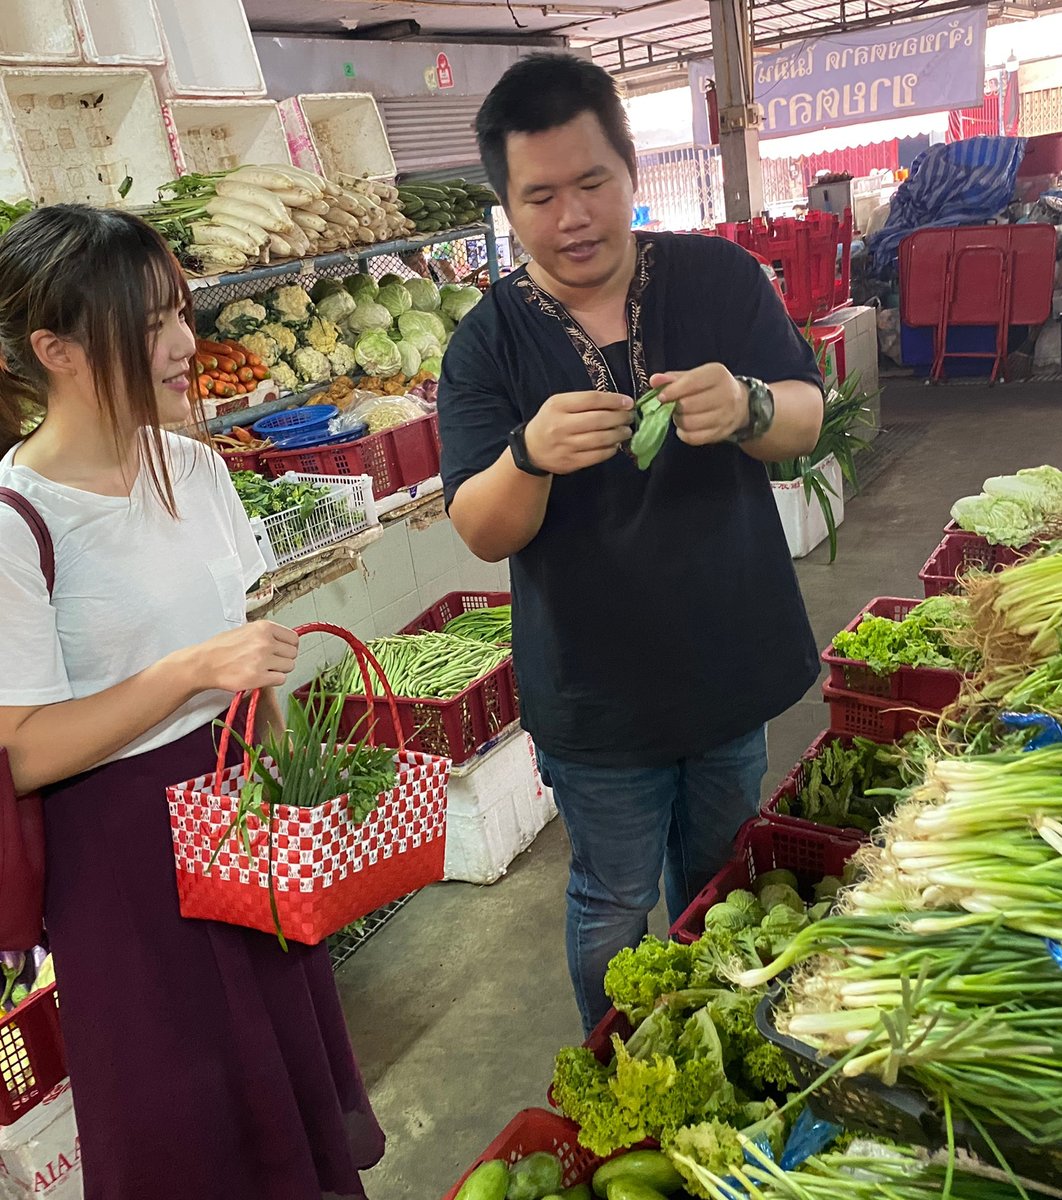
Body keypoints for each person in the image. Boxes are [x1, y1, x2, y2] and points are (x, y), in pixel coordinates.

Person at [0, 205, 384, 1199]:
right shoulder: (19, 520)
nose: (185, 344)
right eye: (153, 324)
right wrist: (188, 671)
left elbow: (245, 650)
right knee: (184, 1118)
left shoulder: (199, 468)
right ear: (58, 351)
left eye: (181, 311)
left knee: (282, 1087)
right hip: (120, 856)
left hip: (240, 813)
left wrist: (292, 781)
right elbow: (27, 751)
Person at [438, 54, 825, 1035]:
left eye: (592, 182)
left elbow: (807, 419)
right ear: (507, 206)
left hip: (727, 664)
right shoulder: (486, 345)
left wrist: (748, 405)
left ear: (631, 171)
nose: (572, 216)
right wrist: (528, 457)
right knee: (614, 903)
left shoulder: (719, 278)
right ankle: (625, 1073)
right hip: (596, 698)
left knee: (723, 882)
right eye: (540, 196)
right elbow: (481, 529)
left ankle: (727, 1053)